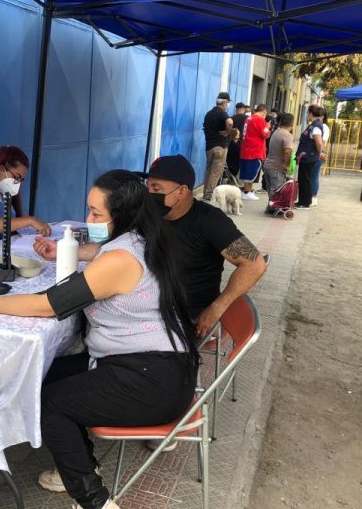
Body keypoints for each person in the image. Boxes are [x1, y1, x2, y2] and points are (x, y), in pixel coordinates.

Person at [0, 170, 200, 509]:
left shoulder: (122, 257)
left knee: (51, 403)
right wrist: (72, 251)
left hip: (152, 379)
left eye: (96, 214)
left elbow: (48, 307)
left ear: (122, 214)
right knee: (44, 375)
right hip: (148, 363)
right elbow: (99, 256)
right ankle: (81, 464)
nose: (88, 221)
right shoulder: (141, 239)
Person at [33, 155, 267, 339]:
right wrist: (64, 250)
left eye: (157, 189)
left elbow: (254, 264)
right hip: (141, 307)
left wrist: (217, 308)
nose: (149, 195)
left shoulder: (210, 221)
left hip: (181, 317)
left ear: (182, 192)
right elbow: (114, 251)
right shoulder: (150, 216)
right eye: (147, 188)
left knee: (71, 310)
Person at [202, 91, 234, 202]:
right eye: (228, 103)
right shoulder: (222, 113)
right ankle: (209, 195)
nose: (228, 105)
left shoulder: (209, 113)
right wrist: (228, 131)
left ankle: (206, 192)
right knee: (216, 172)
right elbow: (230, 122)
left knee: (209, 170)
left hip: (209, 146)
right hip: (220, 146)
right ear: (224, 102)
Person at [295, 105, 325, 209]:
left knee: (305, 180)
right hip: (307, 157)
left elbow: (319, 143)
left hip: (309, 157)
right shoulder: (314, 125)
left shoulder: (316, 127)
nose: (307, 115)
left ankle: (305, 203)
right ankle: (302, 201)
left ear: (311, 113)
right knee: (303, 179)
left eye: (308, 113)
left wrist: (318, 153)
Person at [239, 104, 270, 201]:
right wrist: (268, 127)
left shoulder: (248, 119)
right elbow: (265, 134)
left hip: (247, 148)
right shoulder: (260, 120)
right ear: (264, 111)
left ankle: (248, 190)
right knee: (252, 172)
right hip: (254, 150)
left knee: (247, 172)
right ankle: (247, 192)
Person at [263, 112, 295, 206]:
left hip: (268, 165)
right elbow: (287, 151)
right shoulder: (287, 135)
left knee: (271, 190)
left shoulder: (276, 131)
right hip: (276, 167)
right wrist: (287, 165)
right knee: (277, 190)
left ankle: (271, 207)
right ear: (292, 124)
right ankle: (275, 208)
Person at [311, 107, 330, 207]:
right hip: (316, 153)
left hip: (318, 153)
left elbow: (321, 143)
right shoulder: (317, 125)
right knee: (312, 176)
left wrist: (320, 153)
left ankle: (313, 197)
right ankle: (311, 196)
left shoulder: (323, 127)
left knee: (314, 176)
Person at [226, 102, 248, 180]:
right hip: (243, 144)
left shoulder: (231, 118)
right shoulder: (247, 119)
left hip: (231, 143)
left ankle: (231, 177)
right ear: (243, 109)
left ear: (236, 109)